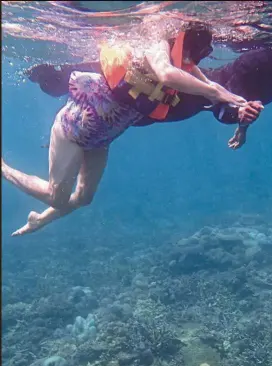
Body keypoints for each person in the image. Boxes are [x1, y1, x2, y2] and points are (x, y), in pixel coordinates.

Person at [2, 21, 257, 237]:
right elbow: (167, 75)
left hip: (102, 137)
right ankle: (3, 168)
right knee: (56, 196)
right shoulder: (156, 42)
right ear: (186, 39)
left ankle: (40, 220)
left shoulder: (185, 61)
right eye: (198, 51)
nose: (195, 59)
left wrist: (237, 105)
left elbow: (205, 82)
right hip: (73, 127)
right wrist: (216, 91)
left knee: (83, 198)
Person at [27, 32, 272, 150]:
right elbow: (225, 102)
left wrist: (243, 124)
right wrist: (236, 115)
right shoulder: (261, 59)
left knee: (121, 105)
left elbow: (244, 104)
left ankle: (66, 120)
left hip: (184, 102)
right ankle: (55, 83)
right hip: (186, 94)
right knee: (108, 80)